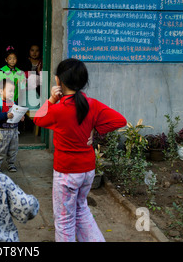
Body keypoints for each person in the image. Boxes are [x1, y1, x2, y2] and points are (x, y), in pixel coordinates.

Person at [33, 58, 127, 242]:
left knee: (64, 220)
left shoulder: (58, 109)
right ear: (83, 82)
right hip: (87, 171)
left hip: (67, 172)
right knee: (82, 210)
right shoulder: (92, 104)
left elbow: (38, 119)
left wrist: (52, 99)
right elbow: (120, 121)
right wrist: (95, 129)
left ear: (58, 81)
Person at [0, 78, 24, 173]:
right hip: (2, 131)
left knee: (13, 149)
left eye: (13, 91)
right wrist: (5, 115)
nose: (12, 93)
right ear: (1, 91)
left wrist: (21, 117)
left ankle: (11, 164)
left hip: (13, 130)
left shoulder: (13, 103)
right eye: (9, 91)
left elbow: (17, 113)